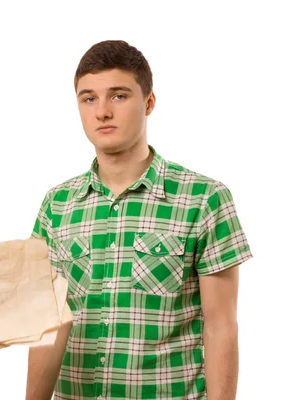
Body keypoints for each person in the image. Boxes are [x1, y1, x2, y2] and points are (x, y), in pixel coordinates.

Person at [26, 40, 252, 400]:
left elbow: (221, 325)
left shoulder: (204, 199)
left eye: (118, 96)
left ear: (149, 103)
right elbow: (45, 325)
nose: (102, 111)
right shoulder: (57, 204)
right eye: (89, 98)